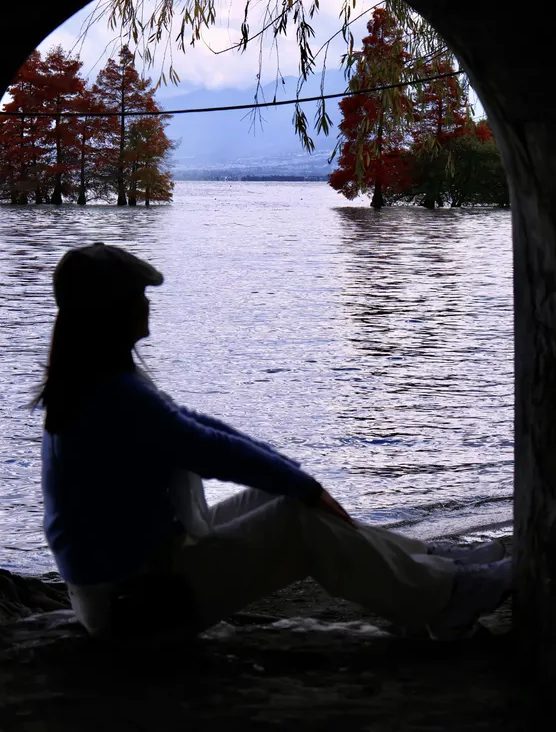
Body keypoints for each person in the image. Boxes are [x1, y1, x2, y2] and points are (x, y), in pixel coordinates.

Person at [40, 242, 511, 643]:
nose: (147, 305)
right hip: (137, 606)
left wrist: (297, 479)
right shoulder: (114, 396)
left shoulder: (97, 381)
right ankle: (447, 596)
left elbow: (196, 425)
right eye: (137, 296)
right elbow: (207, 448)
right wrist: (306, 488)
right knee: (297, 521)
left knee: (276, 493)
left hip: (129, 588)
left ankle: (434, 564)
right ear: (109, 312)